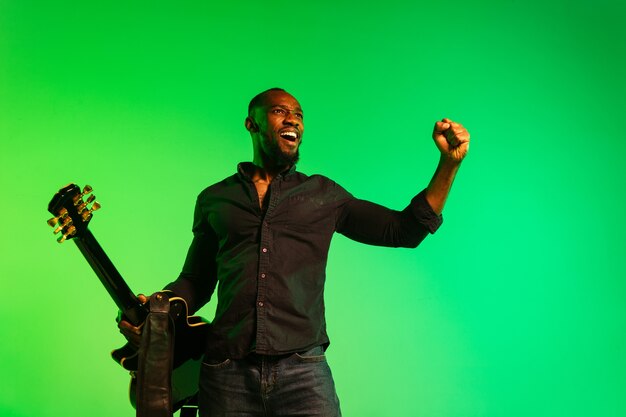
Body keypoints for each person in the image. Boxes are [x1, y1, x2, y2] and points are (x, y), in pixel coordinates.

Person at [120, 87, 470, 417]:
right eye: (279, 111)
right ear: (252, 123)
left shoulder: (324, 195)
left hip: (303, 373)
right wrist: (157, 309)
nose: (293, 120)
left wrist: (449, 163)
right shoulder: (215, 199)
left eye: (299, 115)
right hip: (226, 373)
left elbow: (403, 230)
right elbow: (195, 281)